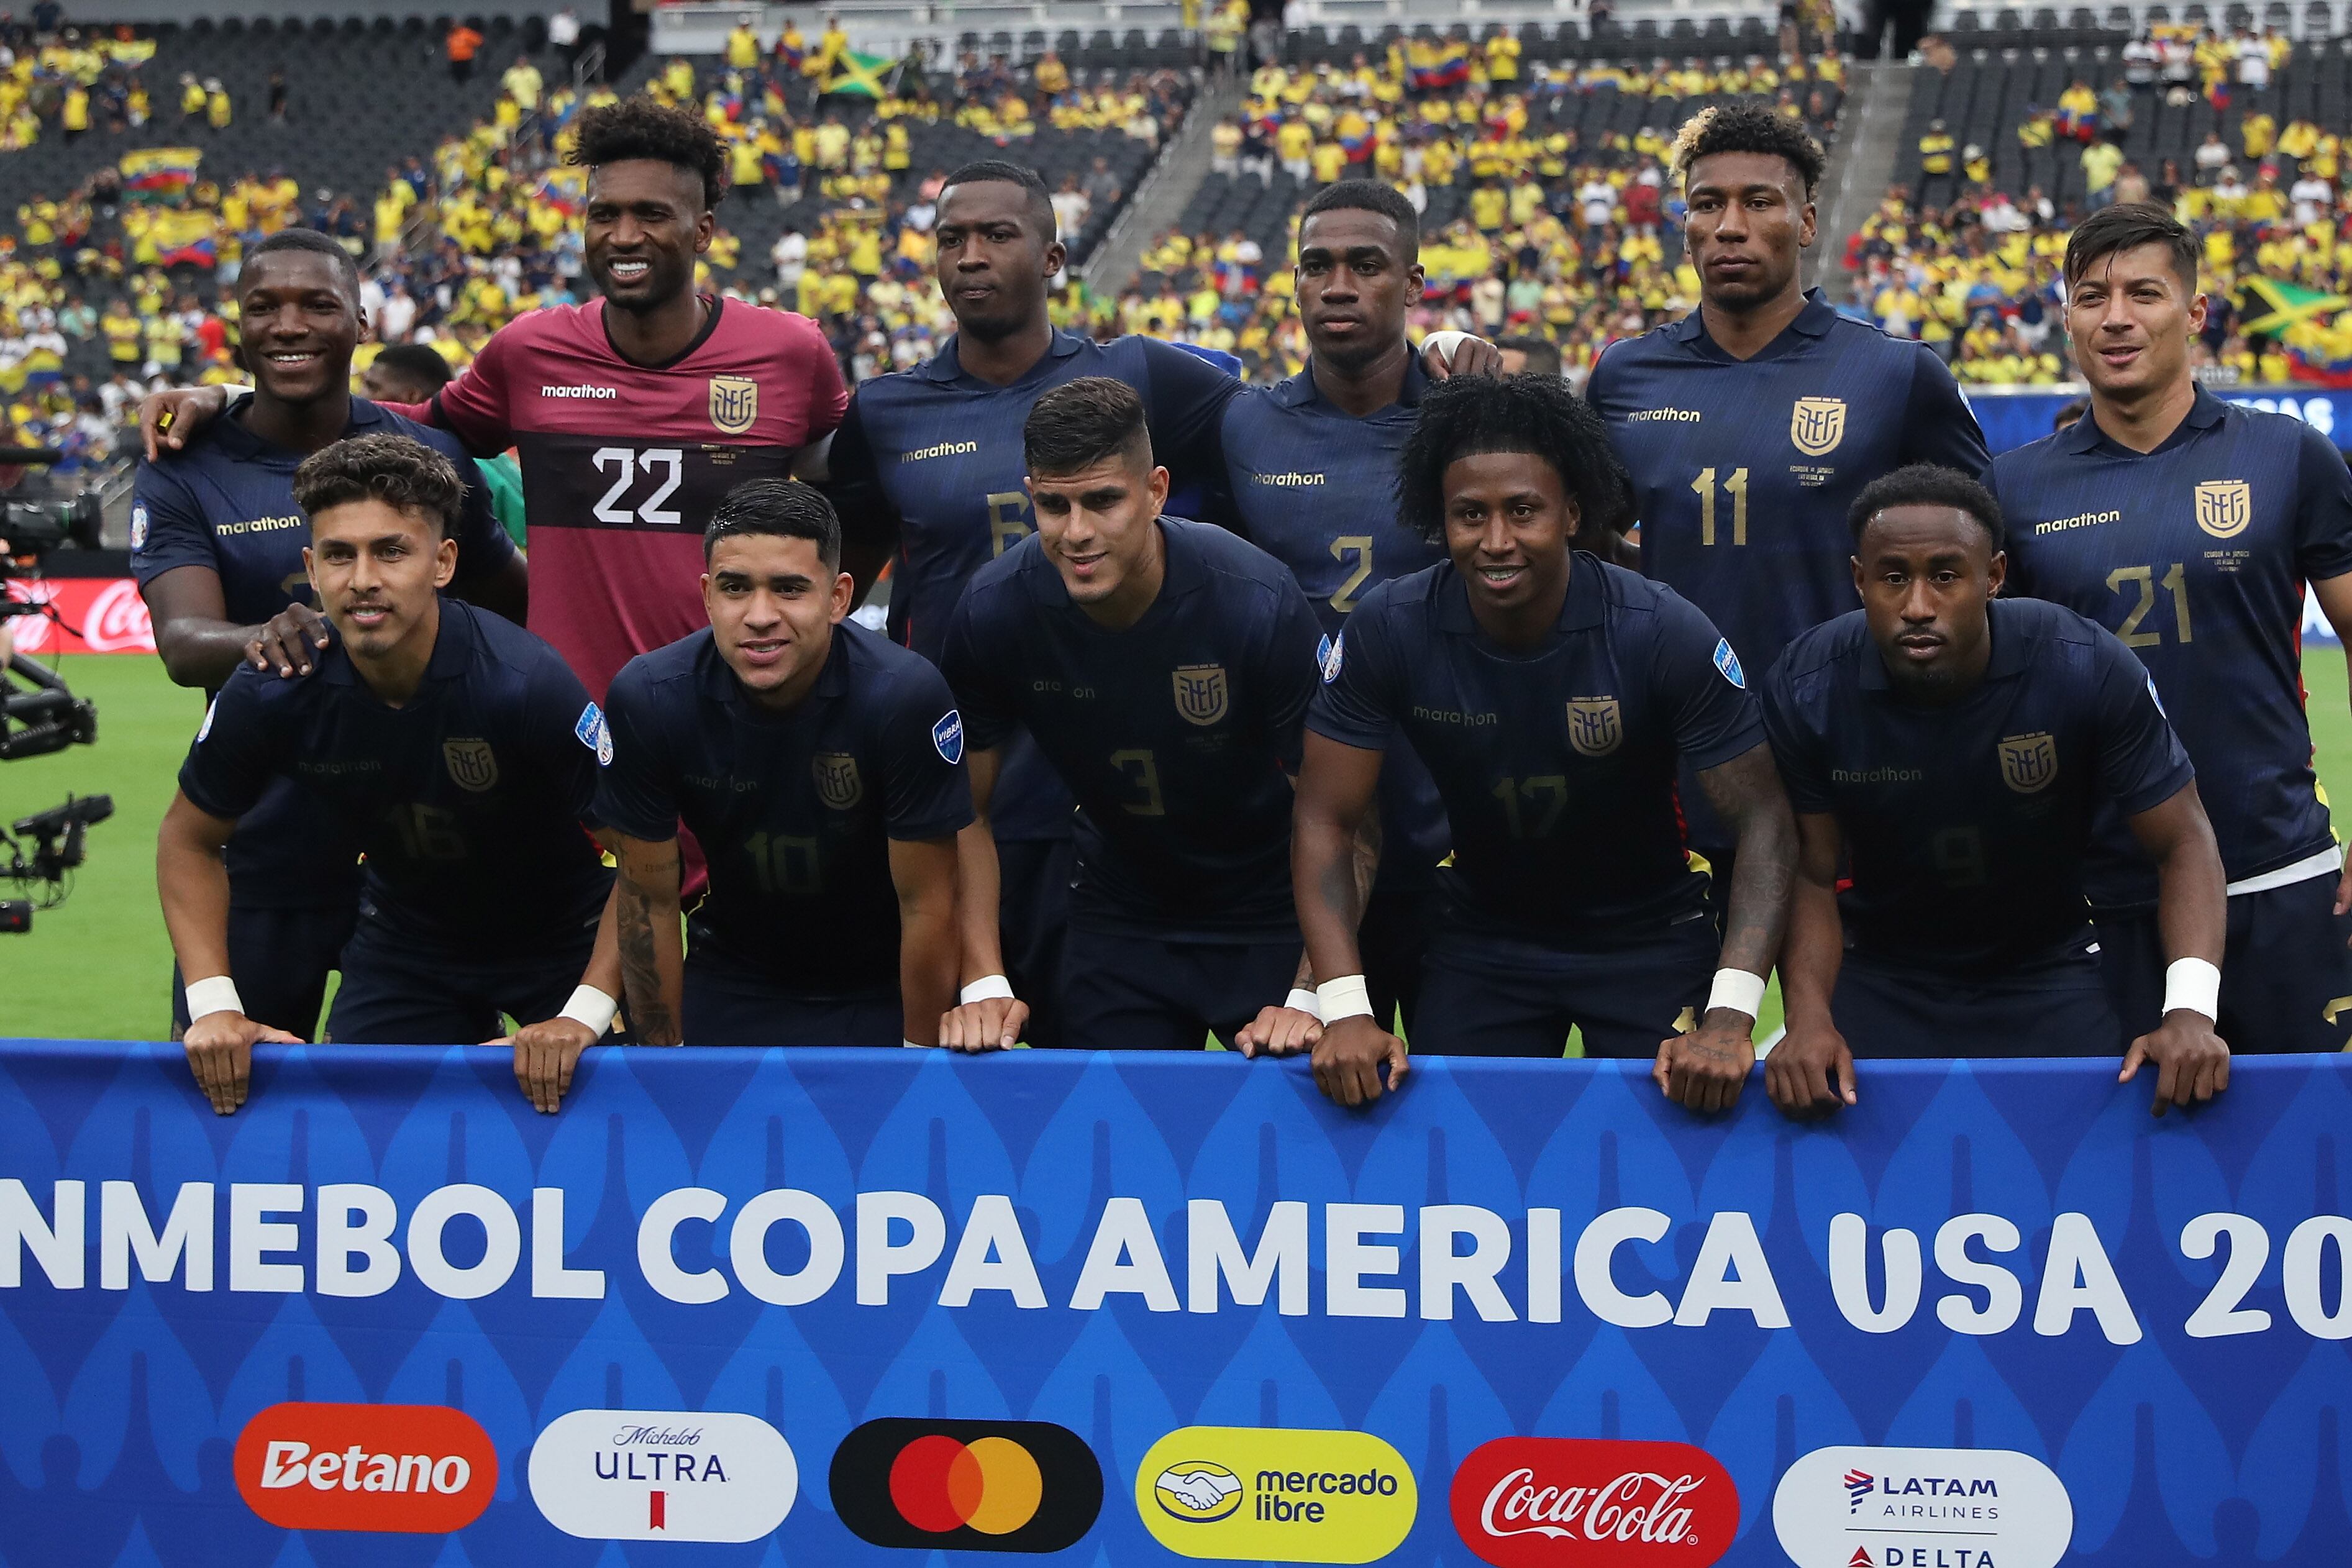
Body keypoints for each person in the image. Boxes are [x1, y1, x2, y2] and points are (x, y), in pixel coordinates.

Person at [816, 159, 1494, 1048]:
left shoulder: (1168, 383)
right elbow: (836, 574)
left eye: (997, 235)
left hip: (1398, 811)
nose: (972, 256)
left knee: (1421, 1083)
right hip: (1029, 795)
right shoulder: (889, 412)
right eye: (952, 239)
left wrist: (1444, 353)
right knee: (1028, 1066)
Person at [140, 96, 847, 706]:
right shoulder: (530, 351)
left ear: (703, 231)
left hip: (737, 709)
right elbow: (397, 430)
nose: (625, 235)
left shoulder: (788, 352)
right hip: (569, 716)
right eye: (604, 214)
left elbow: (860, 486)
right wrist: (232, 394)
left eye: (652, 214)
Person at [1293, 374, 1796, 1110]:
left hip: (1649, 936)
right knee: (1459, 1146)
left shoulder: (1660, 630)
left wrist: (1729, 1014)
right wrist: (1341, 1007)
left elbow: (1766, 817)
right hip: (1481, 939)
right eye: (1470, 514)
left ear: (1572, 513)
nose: (1497, 540)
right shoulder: (1388, 627)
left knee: (1678, 1146)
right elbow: (1325, 818)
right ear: (1440, 519)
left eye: (1523, 510)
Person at [132, 229, 522, 1044]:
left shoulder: (430, 455)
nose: (289, 325)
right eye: (263, 307)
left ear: (362, 321)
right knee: (232, 1090)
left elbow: (511, 604)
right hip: (262, 851)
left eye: (317, 304)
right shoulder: (184, 462)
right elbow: (182, 642)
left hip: (427, 858)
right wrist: (272, 636)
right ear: (237, 325)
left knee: (426, 1104)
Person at [1587, 100, 1988, 888]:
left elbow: (1985, 553)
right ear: (1686, 227)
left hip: (1856, 749)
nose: (1729, 227)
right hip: (1678, 751)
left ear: (1805, 224)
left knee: (1845, 966)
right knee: (1697, 968)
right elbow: (1583, 542)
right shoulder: (1625, 375)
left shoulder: (1896, 374)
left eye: (1758, 202)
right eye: (1707, 205)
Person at [158, 435, 615, 1114]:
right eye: (340, 554)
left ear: (443, 562)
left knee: (602, 1124)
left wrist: (586, 1013)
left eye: (391, 551)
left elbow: (644, 855)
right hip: (409, 941)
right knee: (363, 1131)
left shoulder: (523, 682)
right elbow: (187, 840)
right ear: (312, 568)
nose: (363, 578)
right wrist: (215, 1005)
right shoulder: (272, 686)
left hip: (566, 938)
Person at [1992, 202, 2352, 1052]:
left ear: (2193, 313)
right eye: (2091, 296)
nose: (2115, 317)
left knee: (2312, 1136)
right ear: (2067, 319)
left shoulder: (2285, 455)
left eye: (2143, 293)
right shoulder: (2010, 490)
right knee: (2112, 1141)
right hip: (2096, 898)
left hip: (2279, 876)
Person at [1762, 464, 2230, 1114]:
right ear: (1859, 579)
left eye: (1945, 575)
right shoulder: (1808, 685)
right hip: (1881, 971)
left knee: (2089, 1153)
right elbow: (1811, 872)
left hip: (2047, 966)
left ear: (1994, 575)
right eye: (1893, 577)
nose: (1918, 605)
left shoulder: (2082, 664)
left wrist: (2190, 1012)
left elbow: (2184, 841)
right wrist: (1809, 1018)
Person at [935, 377, 1324, 1054]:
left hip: (1272, 914)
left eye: (1103, 501)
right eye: (1053, 505)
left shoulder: (1256, 601)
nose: (1077, 533)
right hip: (1119, 914)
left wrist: (1314, 992)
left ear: (1156, 491)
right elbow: (964, 809)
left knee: (1289, 1118)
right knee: (1105, 1118)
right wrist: (984, 982)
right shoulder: (996, 609)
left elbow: (1340, 815)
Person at [581, 478, 967, 1055]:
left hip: (881, 980)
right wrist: (664, 1061)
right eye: (736, 588)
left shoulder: (904, 698)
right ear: (708, 595)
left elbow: (927, 905)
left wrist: (918, 1059)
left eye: (789, 589)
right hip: (733, 970)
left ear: (838, 598)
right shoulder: (650, 696)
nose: (760, 616)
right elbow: (648, 900)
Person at [1214, 179, 1448, 1037]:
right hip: (1300, 829)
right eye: (1317, 266)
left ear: (1413, 284)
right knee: (1306, 1075)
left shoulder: (1468, 419)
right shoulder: (1244, 426)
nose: (1338, 286)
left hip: (1452, 819)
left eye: (1365, 265)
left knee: (1463, 1087)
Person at [361, 342, 528, 549]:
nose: (362, 396)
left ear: (411, 396)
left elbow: (526, 542)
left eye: (372, 387)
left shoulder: (469, 463)